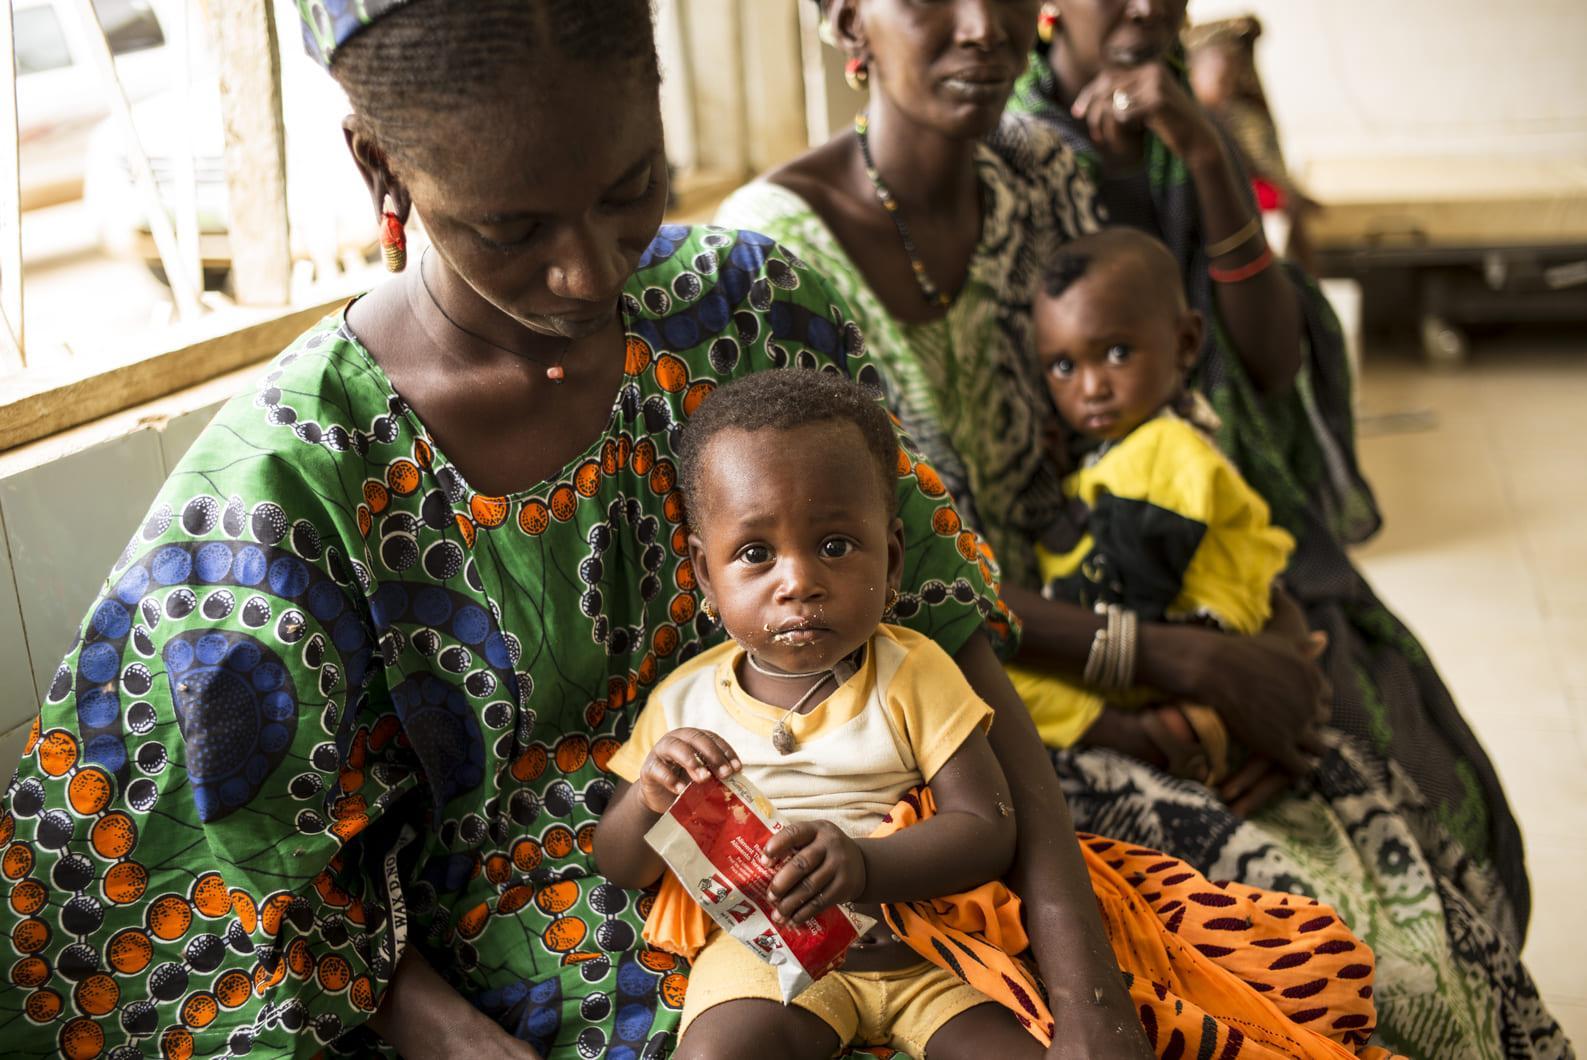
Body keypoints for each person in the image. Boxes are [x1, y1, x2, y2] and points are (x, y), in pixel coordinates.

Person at [0, 2, 1158, 1057]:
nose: (588, 267)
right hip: (546, 991)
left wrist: (1085, 983)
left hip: (899, 899)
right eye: (511, 226)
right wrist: (455, 1039)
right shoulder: (289, 487)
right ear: (379, 164)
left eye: (628, 189)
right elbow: (221, 897)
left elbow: (952, 645)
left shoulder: (748, 311)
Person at [718, 2, 1567, 1056]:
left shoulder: (1043, 176)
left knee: (1405, 871)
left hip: (1141, 636)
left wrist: (1257, 643)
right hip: (950, 742)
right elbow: (879, 591)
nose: (984, 27)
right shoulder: (764, 259)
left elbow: (1170, 427)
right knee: (1318, 951)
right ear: (846, 14)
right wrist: (1179, 664)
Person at [594, 370, 1401, 1060]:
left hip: (926, 947)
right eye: (755, 554)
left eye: (836, 546)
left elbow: (988, 827)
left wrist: (867, 865)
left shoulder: (913, 673)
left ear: (893, 556)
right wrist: (650, 796)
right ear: (704, 572)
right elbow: (621, 863)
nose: (797, 580)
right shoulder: (685, 703)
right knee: (717, 1052)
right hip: (763, 953)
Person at [1008, 1, 1533, 944]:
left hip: (1242, 525)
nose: (1143, 9)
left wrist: (1207, 153)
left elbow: (1271, 361)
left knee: (1426, 769)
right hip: (1096, 571)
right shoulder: (1013, 154)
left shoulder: (1188, 132)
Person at [1003, 228, 1306, 773]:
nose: (1091, 387)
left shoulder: (1166, 447)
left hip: (1178, 653)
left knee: (984, 681)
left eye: (1117, 353)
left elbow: (1125, 591)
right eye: (1064, 367)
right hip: (1160, 655)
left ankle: (1146, 734)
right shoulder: (1121, 454)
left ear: (1186, 343)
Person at [1184, 16, 1320, 272]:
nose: (1231, 76)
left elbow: (1269, 169)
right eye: (1220, 65)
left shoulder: (1245, 117)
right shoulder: (1182, 123)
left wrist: (1293, 196)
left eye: (1236, 67)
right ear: (1193, 68)